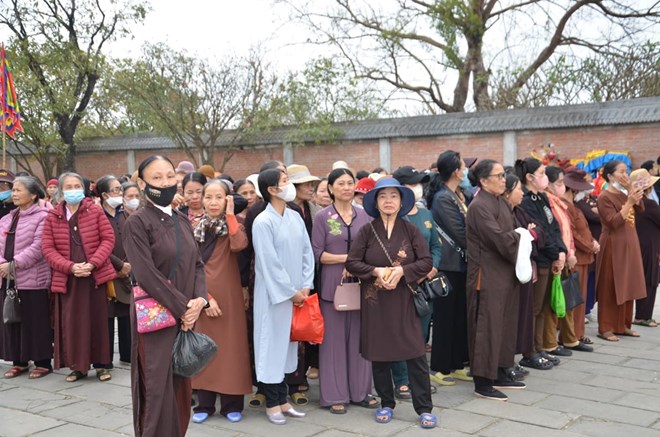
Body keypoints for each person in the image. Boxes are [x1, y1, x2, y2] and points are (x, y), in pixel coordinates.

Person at [123, 155, 208, 437]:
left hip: (185, 316)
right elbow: (146, 274)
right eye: (156, 177)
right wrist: (184, 308)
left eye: (170, 176)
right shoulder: (137, 222)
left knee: (180, 387)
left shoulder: (182, 220)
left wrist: (200, 300)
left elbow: (196, 264)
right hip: (157, 319)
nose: (165, 182)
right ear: (142, 182)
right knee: (156, 387)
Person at [346, 177, 436, 429]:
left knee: (416, 353)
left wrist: (401, 272)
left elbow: (426, 261)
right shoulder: (366, 230)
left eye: (393, 196)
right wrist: (375, 271)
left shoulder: (411, 230)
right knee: (380, 354)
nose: (388, 201)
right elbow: (352, 262)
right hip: (375, 301)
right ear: (375, 201)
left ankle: (424, 407)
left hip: (404, 299)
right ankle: (387, 402)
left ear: (401, 201)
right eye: (383, 196)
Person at [252, 168, 314, 425]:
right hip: (273, 297)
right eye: (285, 182)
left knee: (288, 348)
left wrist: (306, 286)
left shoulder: (295, 216)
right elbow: (269, 263)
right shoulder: (262, 222)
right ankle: (273, 403)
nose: (290, 186)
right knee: (271, 348)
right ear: (271, 189)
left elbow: (306, 253)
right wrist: (290, 292)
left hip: (297, 294)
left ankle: (284, 399)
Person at [311, 168, 375, 414]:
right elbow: (317, 253)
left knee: (360, 340)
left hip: (361, 284)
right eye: (341, 183)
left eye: (350, 183)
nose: (347, 187)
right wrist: (346, 259)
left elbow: (371, 250)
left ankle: (360, 391)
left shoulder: (365, 216)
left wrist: (358, 264)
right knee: (334, 343)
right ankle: (334, 395)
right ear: (330, 188)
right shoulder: (322, 217)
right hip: (332, 286)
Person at [41, 172, 116, 382]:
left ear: (83, 189)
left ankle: (102, 365)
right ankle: (77, 366)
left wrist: (93, 263)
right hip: (69, 278)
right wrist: (70, 267)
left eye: (77, 186)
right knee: (71, 323)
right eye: (69, 186)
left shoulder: (95, 211)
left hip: (94, 275)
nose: (73, 190)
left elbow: (107, 239)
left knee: (98, 321)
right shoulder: (53, 215)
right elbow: (47, 248)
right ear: (61, 190)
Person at [191, 180, 252, 424]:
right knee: (204, 350)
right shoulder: (194, 227)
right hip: (202, 296)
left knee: (232, 350)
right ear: (202, 200)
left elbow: (240, 245)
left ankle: (232, 404)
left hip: (230, 298)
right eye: (209, 197)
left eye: (219, 197)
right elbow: (189, 268)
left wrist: (230, 216)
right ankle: (204, 404)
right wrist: (206, 298)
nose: (213, 202)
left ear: (227, 199)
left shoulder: (235, 225)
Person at [465, 160, 526, 401]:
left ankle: (500, 370)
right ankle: (482, 380)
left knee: (504, 323)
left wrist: (520, 236)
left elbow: (512, 232)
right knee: (487, 326)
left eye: (504, 175)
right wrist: (522, 236)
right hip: (487, 275)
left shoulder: (500, 201)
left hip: (505, 272)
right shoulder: (479, 206)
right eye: (499, 176)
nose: (504, 180)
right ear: (483, 180)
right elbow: (499, 239)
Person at [391, 165, 441, 397]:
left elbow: (435, 247)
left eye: (419, 183)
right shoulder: (392, 216)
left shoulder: (425, 214)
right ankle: (401, 380)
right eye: (411, 184)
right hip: (400, 285)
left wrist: (432, 267)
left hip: (424, 285)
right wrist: (412, 273)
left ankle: (417, 378)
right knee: (400, 332)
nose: (417, 188)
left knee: (420, 334)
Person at [514, 158, 566, 370]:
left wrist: (561, 251)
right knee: (534, 309)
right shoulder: (525, 200)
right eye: (542, 172)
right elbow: (538, 232)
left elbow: (553, 227)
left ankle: (540, 346)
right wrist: (555, 253)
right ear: (529, 177)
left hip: (552, 257)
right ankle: (530, 352)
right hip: (540, 260)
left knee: (545, 307)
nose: (545, 177)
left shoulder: (542, 197)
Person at [425, 151, 471, 386]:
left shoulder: (457, 194)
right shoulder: (443, 198)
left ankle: (456, 363)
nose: (466, 172)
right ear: (455, 171)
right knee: (445, 318)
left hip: (460, 264)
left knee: (459, 316)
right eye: (464, 167)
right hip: (448, 265)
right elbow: (460, 233)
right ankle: (440, 367)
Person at [0, 176, 52, 379]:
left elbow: (38, 247)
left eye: (19, 190)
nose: (14, 193)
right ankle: (19, 361)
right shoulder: (7, 218)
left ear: (32, 194)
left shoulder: (43, 216)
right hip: (8, 278)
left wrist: (13, 265)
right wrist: (3, 265)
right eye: (13, 190)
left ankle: (42, 361)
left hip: (33, 278)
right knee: (12, 319)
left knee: (35, 320)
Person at [595, 160, 646, 341]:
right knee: (610, 286)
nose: (625, 175)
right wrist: (629, 202)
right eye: (621, 172)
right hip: (612, 244)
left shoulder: (625, 193)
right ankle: (606, 327)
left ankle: (623, 325)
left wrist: (631, 190)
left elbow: (640, 208)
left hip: (630, 243)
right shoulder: (604, 197)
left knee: (627, 284)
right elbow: (614, 222)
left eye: (627, 171)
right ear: (610, 176)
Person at [543, 166, 592, 354]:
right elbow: (551, 232)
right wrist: (562, 253)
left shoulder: (558, 202)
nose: (563, 187)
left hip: (566, 255)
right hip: (554, 257)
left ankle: (570, 338)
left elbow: (566, 232)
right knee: (552, 303)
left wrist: (570, 251)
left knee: (569, 299)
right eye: (559, 183)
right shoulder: (547, 202)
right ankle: (549, 343)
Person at [502, 173, 540, 380]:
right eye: (518, 189)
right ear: (507, 193)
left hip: (523, 270)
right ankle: (507, 362)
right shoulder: (501, 213)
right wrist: (527, 234)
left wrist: (529, 234)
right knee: (510, 319)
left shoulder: (520, 212)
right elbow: (515, 239)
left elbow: (538, 232)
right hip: (508, 273)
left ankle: (514, 358)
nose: (522, 193)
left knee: (523, 316)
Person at [96, 175, 132, 365]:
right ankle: (105, 360)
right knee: (107, 317)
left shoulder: (124, 213)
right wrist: (119, 265)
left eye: (120, 189)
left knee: (127, 314)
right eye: (115, 190)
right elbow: (96, 244)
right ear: (103, 194)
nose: (120, 193)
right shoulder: (97, 215)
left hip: (128, 270)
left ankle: (128, 355)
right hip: (107, 271)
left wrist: (129, 264)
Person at [562, 169, 600, 344]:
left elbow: (584, 229)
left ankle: (577, 333)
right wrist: (590, 245)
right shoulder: (565, 206)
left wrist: (592, 241)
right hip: (576, 257)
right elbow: (572, 233)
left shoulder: (574, 205)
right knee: (574, 300)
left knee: (580, 300)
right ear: (574, 190)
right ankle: (571, 335)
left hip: (584, 257)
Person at [629, 169, 660, 327]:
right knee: (650, 280)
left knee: (644, 279)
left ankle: (642, 314)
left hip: (638, 245)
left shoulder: (633, 202)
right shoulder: (649, 204)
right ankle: (643, 316)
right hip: (650, 247)